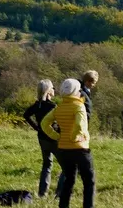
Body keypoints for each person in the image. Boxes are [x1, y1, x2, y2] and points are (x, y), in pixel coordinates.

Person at [44, 78, 94, 208]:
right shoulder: (79, 106)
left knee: (69, 180)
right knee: (89, 181)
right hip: (80, 147)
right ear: (76, 92)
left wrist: (55, 136)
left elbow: (44, 123)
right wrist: (74, 136)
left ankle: (63, 205)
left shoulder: (59, 108)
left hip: (63, 148)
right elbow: (80, 125)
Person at [22, 80, 59, 198]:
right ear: (48, 91)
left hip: (42, 138)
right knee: (66, 166)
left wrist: (36, 127)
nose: (54, 89)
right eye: (53, 88)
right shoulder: (53, 106)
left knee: (47, 165)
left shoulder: (37, 105)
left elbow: (26, 115)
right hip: (53, 138)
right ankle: (60, 194)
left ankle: (42, 193)